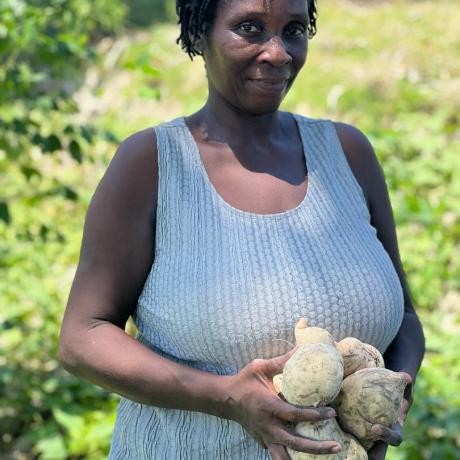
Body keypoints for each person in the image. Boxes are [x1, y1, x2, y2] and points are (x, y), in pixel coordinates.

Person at [58, 0, 425, 459]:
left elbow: (405, 319)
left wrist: (392, 396)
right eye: (250, 28)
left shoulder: (348, 155)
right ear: (198, 36)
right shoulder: (152, 165)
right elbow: (82, 337)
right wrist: (228, 397)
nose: (277, 53)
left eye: (293, 29)